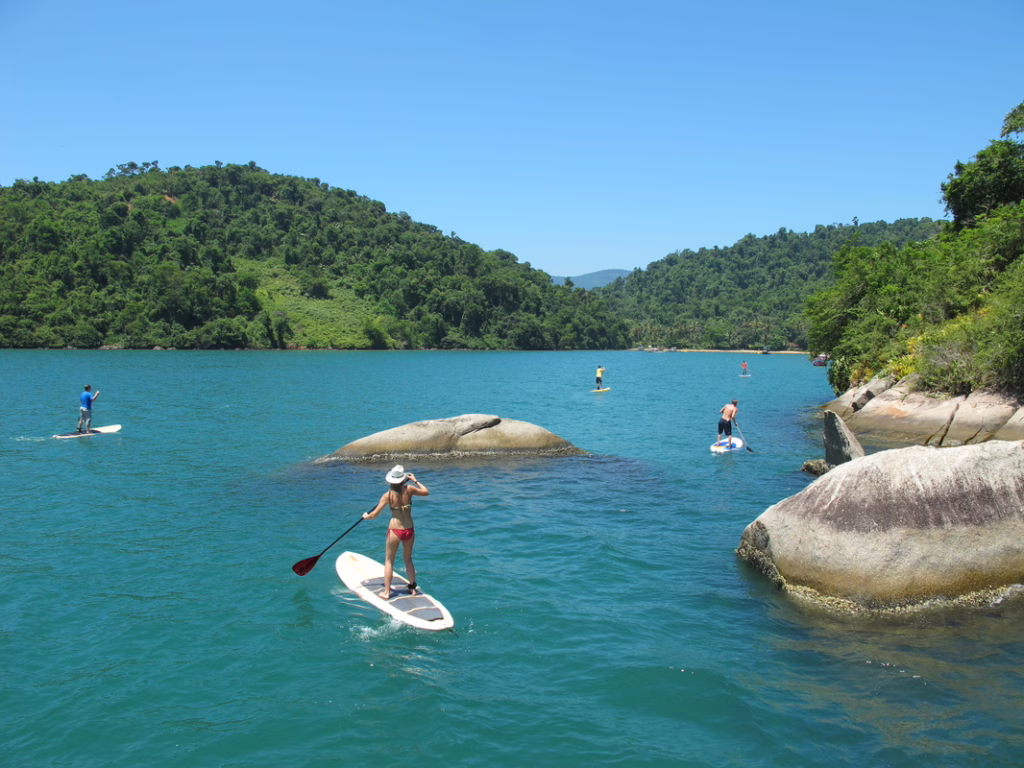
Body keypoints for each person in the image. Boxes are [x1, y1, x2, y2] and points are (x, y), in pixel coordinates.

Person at [362, 465, 430, 600]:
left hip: (395, 530)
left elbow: (374, 515)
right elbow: (426, 492)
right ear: (403, 479)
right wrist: (415, 480)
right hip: (409, 530)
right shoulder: (409, 490)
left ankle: (387, 593)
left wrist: (366, 516)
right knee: (408, 559)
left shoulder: (387, 496)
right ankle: (412, 589)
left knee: (389, 561)